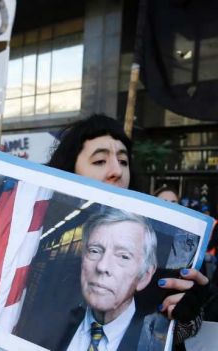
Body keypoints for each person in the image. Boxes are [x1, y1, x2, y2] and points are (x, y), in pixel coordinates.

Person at [46, 114, 209, 348]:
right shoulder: (47, 252)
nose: (117, 171)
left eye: (123, 161)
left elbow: (174, 332)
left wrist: (187, 313)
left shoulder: (169, 251)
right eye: (100, 161)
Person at [66, 209, 157, 350]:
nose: (102, 266)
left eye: (123, 256)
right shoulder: (50, 323)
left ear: (144, 276)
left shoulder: (154, 341)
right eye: (94, 251)